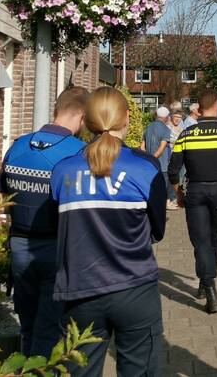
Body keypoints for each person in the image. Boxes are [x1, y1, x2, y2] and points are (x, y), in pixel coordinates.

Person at [50, 86, 167, 377]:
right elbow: (158, 230)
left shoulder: (62, 170)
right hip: (135, 288)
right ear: (127, 118)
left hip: (79, 291)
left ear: (86, 121)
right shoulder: (147, 168)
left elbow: (58, 227)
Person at [0, 86, 89, 357]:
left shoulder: (19, 145)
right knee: (51, 329)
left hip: (20, 247)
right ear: (82, 117)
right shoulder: (79, 152)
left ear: (56, 110)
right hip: (58, 250)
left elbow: (2, 192)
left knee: (27, 323)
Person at [169, 89, 217, 313]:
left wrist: (178, 192)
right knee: (214, 240)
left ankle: (206, 285)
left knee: (200, 241)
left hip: (195, 192)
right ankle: (207, 281)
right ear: (216, 106)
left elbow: (173, 170)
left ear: (199, 108)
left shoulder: (187, 134)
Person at [142, 106, 174, 209]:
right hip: (162, 165)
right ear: (166, 117)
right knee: (162, 188)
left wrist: (147, 159)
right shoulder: (166, 130)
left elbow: (142, 147)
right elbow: (161, 149)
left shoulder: (148, 127)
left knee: (151, 187)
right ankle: (161, 207)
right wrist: (153, 159)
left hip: (148, 164)